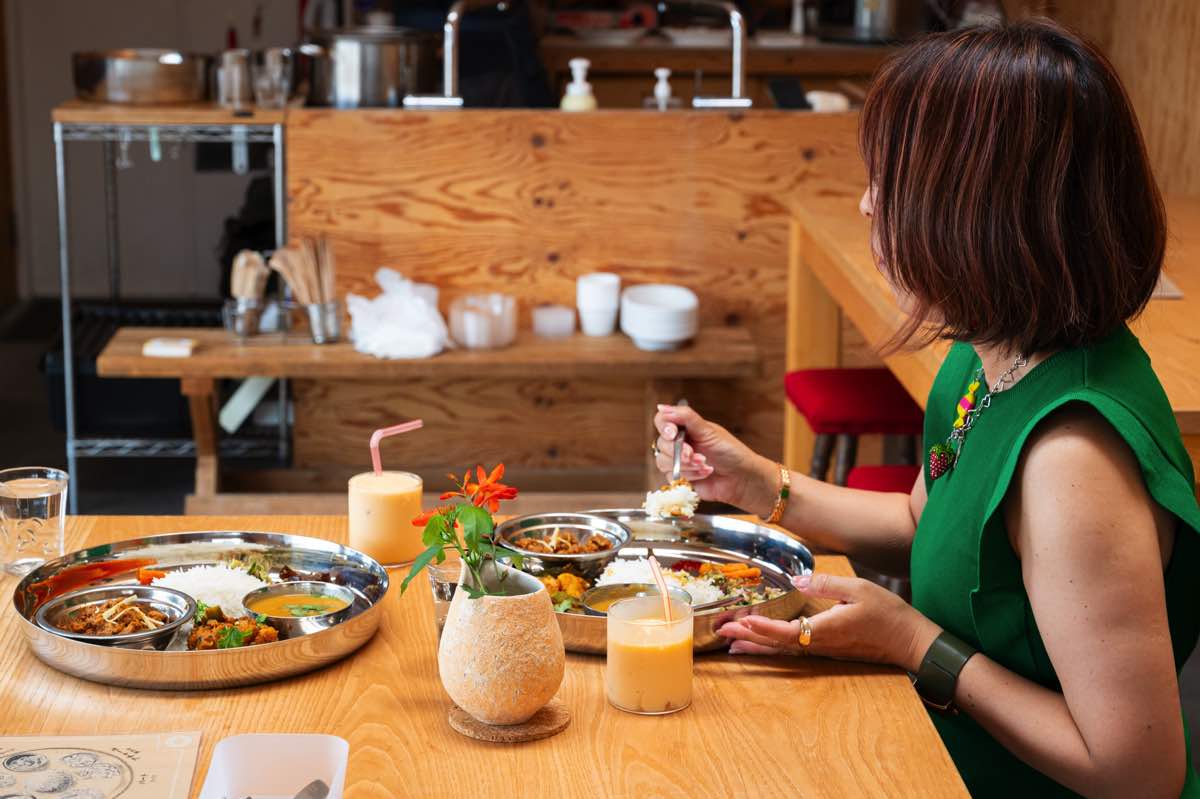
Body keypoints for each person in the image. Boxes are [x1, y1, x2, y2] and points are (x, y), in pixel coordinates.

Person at [652, 19, 1200, 799]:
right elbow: (924, 524)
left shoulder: (1073, 462)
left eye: (897, 185)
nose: (871, 207)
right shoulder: (990, 357)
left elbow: (1138, 773)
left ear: (990, 214)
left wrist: (914, 642)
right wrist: (759, 483)